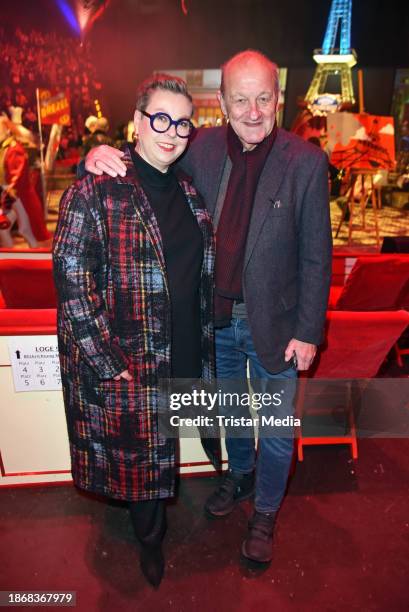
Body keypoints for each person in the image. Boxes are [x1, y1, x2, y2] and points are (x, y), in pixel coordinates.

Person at [84, 50, 332, 565]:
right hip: (213, 320)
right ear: (221, 103)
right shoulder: (199, 149)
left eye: (264, 97)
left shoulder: (306, 162)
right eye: (240, 99)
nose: (253, 110)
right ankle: (240, 479)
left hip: (279, 326)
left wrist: (309, 330)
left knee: (277, 426)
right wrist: (100, 155)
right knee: (231, 414)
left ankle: (265, 511)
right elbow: (151, 159)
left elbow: (316, 255)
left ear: (278, 98)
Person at [53, 74, 215, 587]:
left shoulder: (190, 191)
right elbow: (71, 276)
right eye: (160, 118)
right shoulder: (96, 189)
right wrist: (108, 359)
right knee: (141, 458)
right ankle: (150, 542)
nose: (170, 131)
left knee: (160, 443)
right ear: (138, 123)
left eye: (181, 122)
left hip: (185, 344)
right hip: (131, 357)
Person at [0, 115, 50, 244]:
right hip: (13, 195)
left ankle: (20, 257)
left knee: (20, 229)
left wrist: (7, 192)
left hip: (15, 195)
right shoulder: (6, 148)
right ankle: (16, 255)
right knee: (19, 229)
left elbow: (17, 174)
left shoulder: (13, 148)